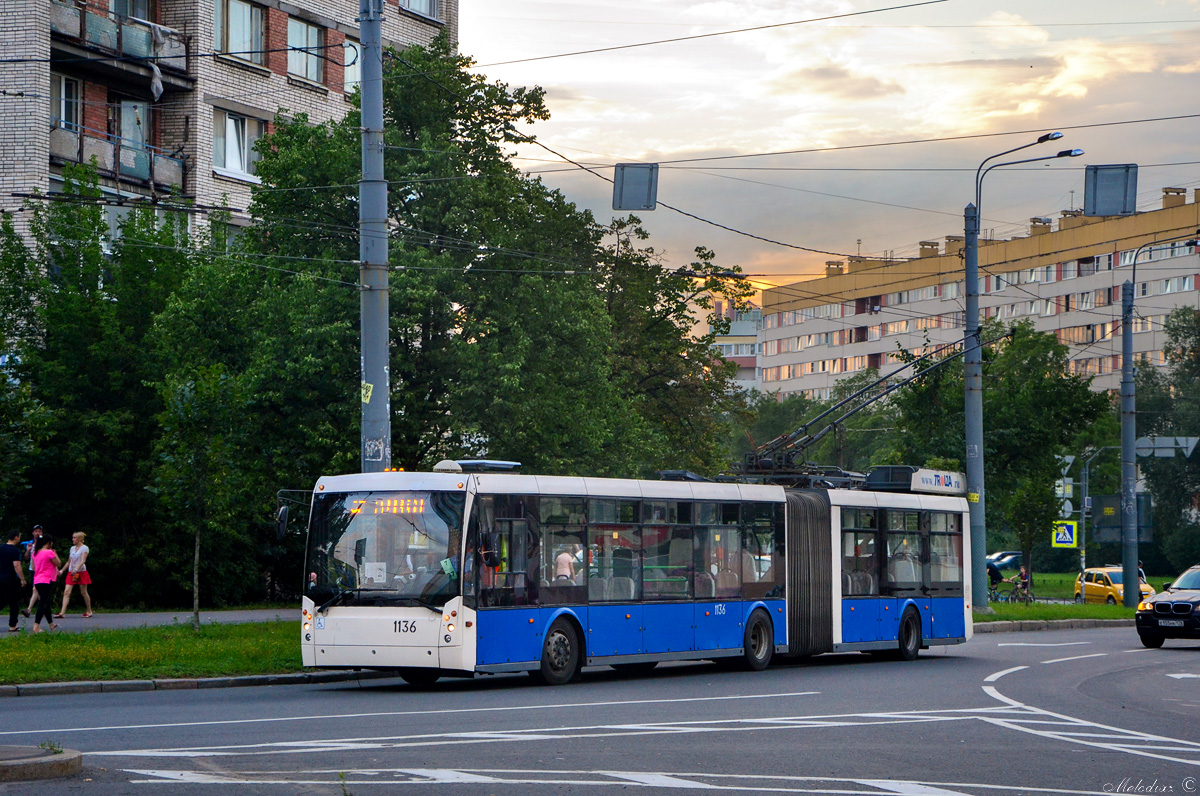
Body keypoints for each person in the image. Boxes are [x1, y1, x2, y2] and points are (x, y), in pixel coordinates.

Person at [30, 535, 62, 633]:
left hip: (37, 580)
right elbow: (58, 563)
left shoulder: (35, 553)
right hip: (47, 580)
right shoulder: (49, 552)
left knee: (46, 602)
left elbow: (33, 567)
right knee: (43, 603)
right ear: (48, 542)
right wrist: (55, 554)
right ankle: (36, 626)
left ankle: (51, 624)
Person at [57, 532, 93, 618]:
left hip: (80, 572)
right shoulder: (72, 548)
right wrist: (62, 571)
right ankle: (62, 612)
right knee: (67, 591)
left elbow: (83, 560)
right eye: (73, 537)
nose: (73, 539)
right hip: (72, 572)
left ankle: (89, 610)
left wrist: (76, 569)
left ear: (80, 539)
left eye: (75, 538)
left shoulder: (84, 548)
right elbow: (69, 561)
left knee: (83, 592)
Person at [0, 531, 26, 632]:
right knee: (13, 602)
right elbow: (17, 565)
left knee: (2, 600)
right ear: (16, 537)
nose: (19, 538)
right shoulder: (15, 550)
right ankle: (12, 625)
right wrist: (22, 579)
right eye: (19, 536)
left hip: (1, 577)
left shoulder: (1, 548)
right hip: (11, 579)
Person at [21, 524, 43, 618]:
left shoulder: (44, 543)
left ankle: (29, 609)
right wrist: (28, 550)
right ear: (33, 533)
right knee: (37, 589)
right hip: (33, 569)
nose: (37, 533)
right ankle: (43, 608)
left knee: (36, 589)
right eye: (36, 531)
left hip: (42, 569)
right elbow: (26, 558)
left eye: (39, 531)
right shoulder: (30, 544)